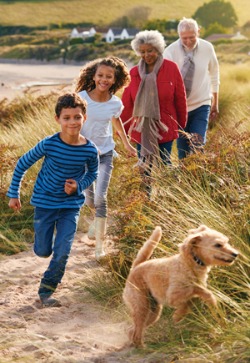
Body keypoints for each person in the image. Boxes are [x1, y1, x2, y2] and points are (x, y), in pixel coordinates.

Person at [7, 92, 99, 307]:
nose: (72, 122)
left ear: (84, 117)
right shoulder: (49, 144)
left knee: (63, 252)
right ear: (58, 119)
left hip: (70, 206)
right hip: (45, 204)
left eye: (77, 117)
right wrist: (14, 194)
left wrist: (78, 185)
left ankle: (46, 292)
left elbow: (92, 174)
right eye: (66, 118)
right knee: (42, 250)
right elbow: (22, 164)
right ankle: (42, 248)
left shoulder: (89, 149)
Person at [75, 56, 137, 260]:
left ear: (114, 79)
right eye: (100, 75)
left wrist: (127, 143)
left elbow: (116, 120)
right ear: (93, 76)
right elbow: (72, 124)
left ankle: (99, 246)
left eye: (108, 76)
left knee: (101, 198)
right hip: (84, 156)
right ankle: (95, 223)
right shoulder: (81, 98)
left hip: (106, 154)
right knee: (90, 200)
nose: (104, 79)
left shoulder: (114, 102)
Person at [120, 30, 187, 194]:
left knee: (165, 163)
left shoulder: (171, 68)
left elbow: (180, 97)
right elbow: (127, 103)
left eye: (150, 50)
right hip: (141, 128)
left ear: (157, 49)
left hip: (165, 126)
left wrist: (181, 125)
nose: (146, 55)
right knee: (144, 166)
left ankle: (171, 196)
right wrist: (122, 128)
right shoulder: (134, 73)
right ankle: (145, 199)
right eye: (142, 52)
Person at [163, 17, 220, 159]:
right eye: (184, 38)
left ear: (198, 32)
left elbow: (214, 74)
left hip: (201, 104)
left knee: (198, 145)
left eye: (192, 37)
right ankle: (187, 180)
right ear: (179, 36)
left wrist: (215, 103)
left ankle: (201, 178)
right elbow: (164, 82)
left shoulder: (207, 48)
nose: (188, 41)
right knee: (183, 153)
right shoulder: (170, 52)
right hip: (179, 109)